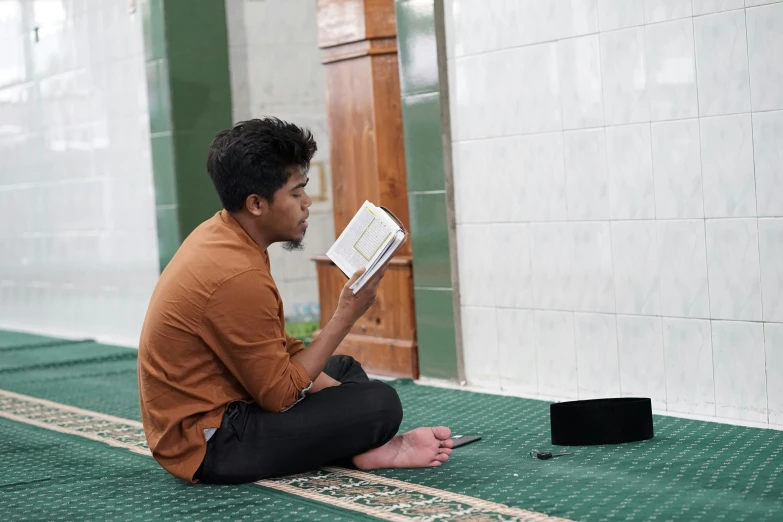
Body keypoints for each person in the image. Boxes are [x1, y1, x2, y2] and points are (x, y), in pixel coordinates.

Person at [137, 117, 453, 484]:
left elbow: (276, 349)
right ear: (256, 203)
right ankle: (369, 439)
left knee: (345, 370)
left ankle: (366, 444)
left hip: (231, 401)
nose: (307, 203)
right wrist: (345, 316)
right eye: (296, 192)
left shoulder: (226, 233)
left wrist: (343, 405)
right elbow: (279, 396)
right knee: (379, 404)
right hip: (210, 442)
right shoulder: (236, 275)